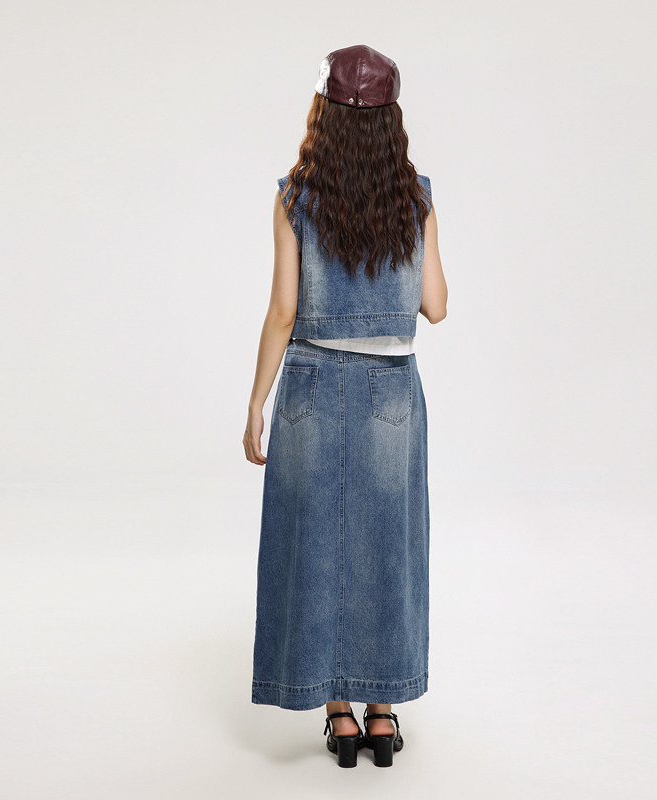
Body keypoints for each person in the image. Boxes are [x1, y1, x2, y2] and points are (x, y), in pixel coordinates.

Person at [243, 44, 448, 768]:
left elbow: (283, 311)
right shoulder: (415, 197)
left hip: (310, 383)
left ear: (324, 112)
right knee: (389, 545)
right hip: (390, 390)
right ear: (392, 118)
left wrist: (256, 403)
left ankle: (336, 709)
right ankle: (382, 713)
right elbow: (435, 306)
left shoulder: (295, 198)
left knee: (315, 543)